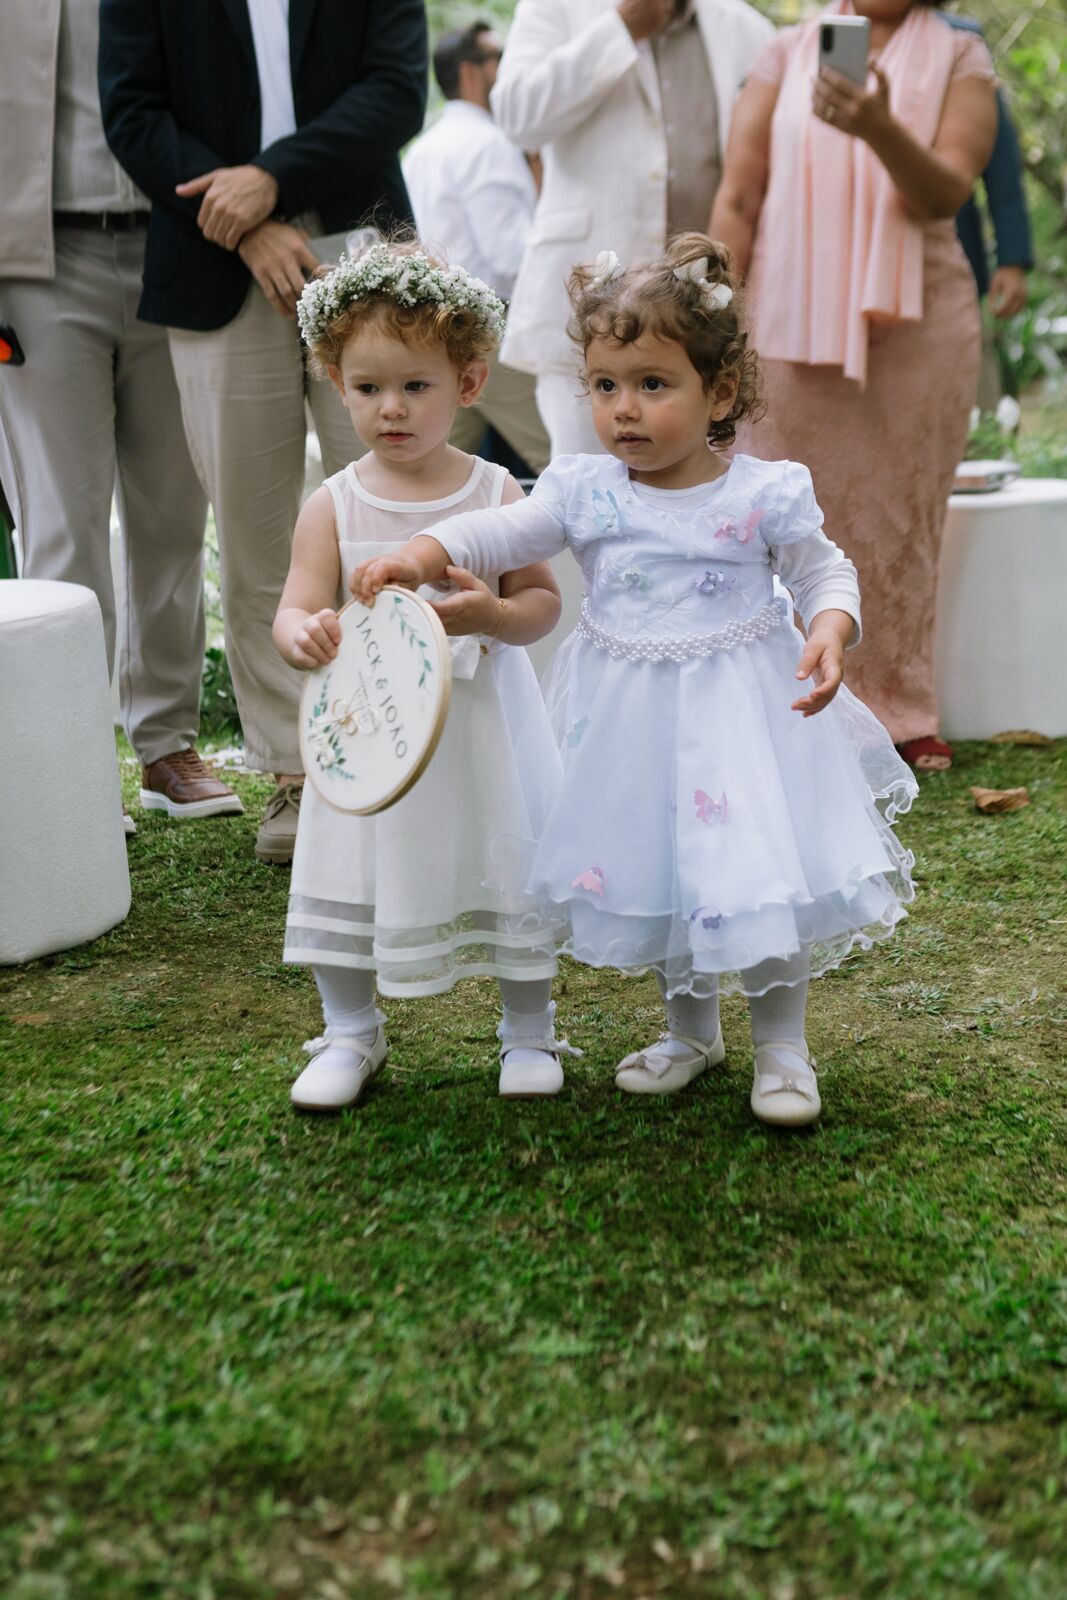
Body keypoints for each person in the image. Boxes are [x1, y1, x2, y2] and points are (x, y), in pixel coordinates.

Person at [353, 236, 918, 1128]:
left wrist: (829, 630)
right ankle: (690, 1033)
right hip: (629, 721)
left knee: (754, 874)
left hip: (743, 715)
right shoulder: (585, 492)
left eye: (653, 385)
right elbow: (499, 536)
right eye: (606, 385)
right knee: (660, 873)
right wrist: (423, 554)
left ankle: (782, 1047)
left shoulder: (762, 494)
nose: (623, 409)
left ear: (717, 393)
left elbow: (824, 571)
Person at [98, 0, 427, 861]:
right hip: (211, 267)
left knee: (393, 514)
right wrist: (242, 218)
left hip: (362, 251)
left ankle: (413, 761)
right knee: (257, 536)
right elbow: (132, 112)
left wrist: (271, 181)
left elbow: (395, 92)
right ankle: (294, 773)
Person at [273, 241, 573, 1112]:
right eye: (367, 388)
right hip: (369, 728)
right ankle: (349, 1030)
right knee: (348, 867)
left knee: (502, 856)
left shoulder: (496, 496)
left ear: (469, 383)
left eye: (415, 386)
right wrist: (304, 633)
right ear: (336, 382)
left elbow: (544, 605)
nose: (391, 410)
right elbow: (293, 605)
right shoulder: (333, 503)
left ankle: (527, 1025)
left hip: (481, 725)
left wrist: (493, 616)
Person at [710, 0, 998, 771]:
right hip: (782, 320)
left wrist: (875, 123)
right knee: (778, 514)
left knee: (900, 521)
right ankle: (780, 702)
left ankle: (901, 711)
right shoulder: (782, 54)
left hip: (917, 327)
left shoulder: (961, 58)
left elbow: (943, 192)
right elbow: (739, 199)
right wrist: (707, 314)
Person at [0, 0, 237, 833]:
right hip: (34, 262)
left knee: (175, 511)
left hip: (178, 249)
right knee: (60, 523)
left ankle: (166, 740)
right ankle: (66, 753)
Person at [490, 0, 775, 460]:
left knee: (703, 488)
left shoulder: (746, 27)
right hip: (587, 305)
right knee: (588, 489)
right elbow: (517, 117)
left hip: (703, 317)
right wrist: (620, 28)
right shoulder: (556, 8)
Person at [403, 19, 550, 476]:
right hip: (493, 335)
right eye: (499, 58)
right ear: (471, 71)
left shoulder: (424, 148)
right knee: (574, 455)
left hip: (432, 334)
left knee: (430, 470)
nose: (510, 68)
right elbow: (511, 259)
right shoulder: (487, 143)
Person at [950, 14, 1033, 411]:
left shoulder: (960, 42)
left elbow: (1001, 159)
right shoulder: (820, 41)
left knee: (969, 391)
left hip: (953, 258)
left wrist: (1012, 258)